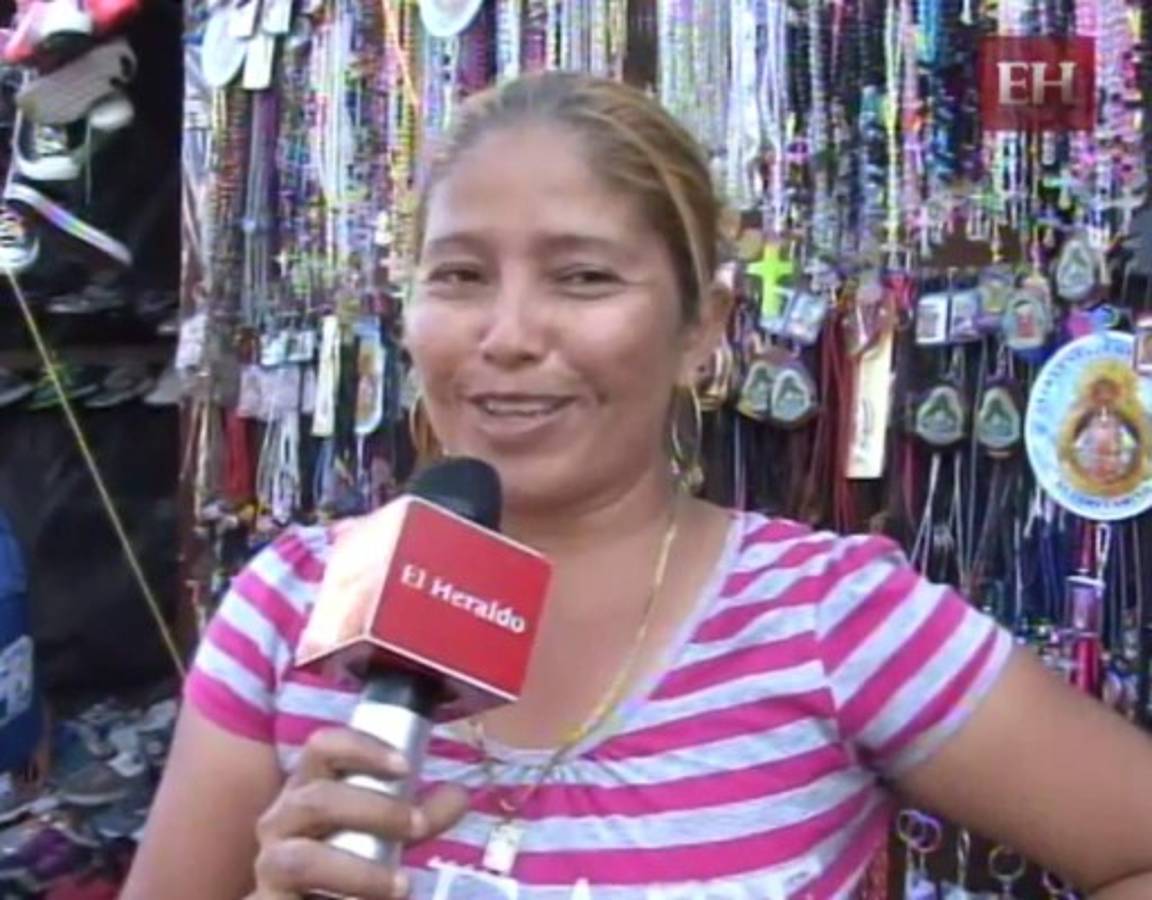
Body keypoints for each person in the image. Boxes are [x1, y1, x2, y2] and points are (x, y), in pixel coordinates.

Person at [123, 72, 1152, 899]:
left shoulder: (826, 614)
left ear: (700, 328)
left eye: (583, 278)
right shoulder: (289, 607)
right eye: (460, 275)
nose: (510, 336)